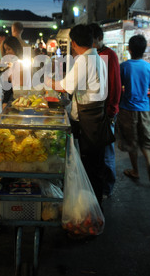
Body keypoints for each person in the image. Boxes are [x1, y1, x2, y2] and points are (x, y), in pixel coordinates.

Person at [45, 24, 108, 205]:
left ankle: (89, 210)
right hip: (97, 117)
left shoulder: (84, 61)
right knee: (95, 168)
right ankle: (94, 208)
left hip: (89, 121)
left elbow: (65, 86)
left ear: (73, 43)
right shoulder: (98, 58)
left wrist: (48, 80)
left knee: (89, 169)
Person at [116, 34, 150, 182]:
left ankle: (135, 171)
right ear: (144, 50)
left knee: (131, 141)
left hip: (127, 109)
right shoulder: (149, 68)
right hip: (144, 109)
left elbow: (118, 89)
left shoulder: (124, 67)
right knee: (144, 139)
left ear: (129, 49)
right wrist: (148, 107)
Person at [89, 23, 121, 198]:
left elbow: (115, 86)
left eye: (92, 40)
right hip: (93, 112)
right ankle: (98, 186)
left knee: (107, 153)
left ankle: (107, 188)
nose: (90, 44)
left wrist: (111, 111)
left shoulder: (110, 55)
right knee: (97, 154)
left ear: (100, 38)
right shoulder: (91, 55)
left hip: (107, 112)